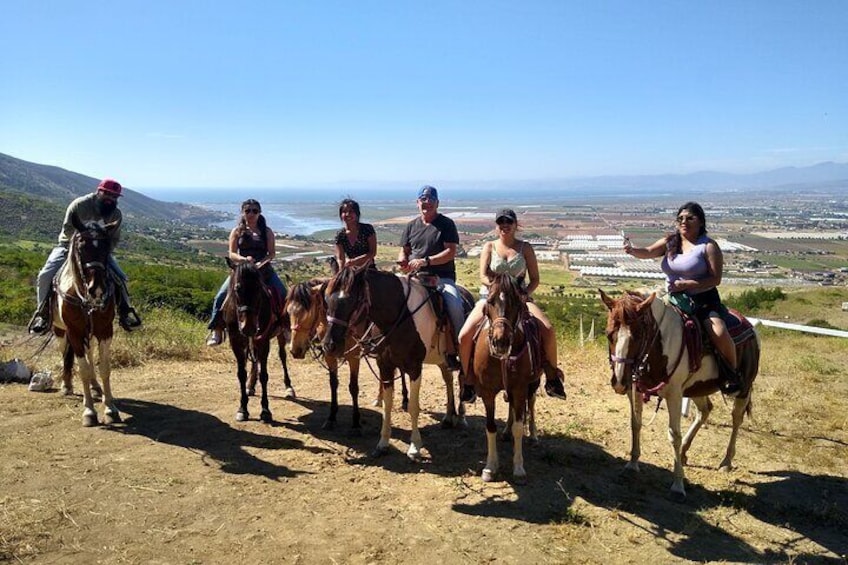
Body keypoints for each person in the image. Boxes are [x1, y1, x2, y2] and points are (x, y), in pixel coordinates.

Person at [623, 201, 745, 396]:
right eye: (680, 218)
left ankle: (732, 374)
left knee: (719, 331)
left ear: (701, 221)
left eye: (690, 218)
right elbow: (648, 252)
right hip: (672, 299)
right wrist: (632, 250)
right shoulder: (671, 242)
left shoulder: (708, 246)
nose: (684, 222)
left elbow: (716, 279)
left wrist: (687, 284)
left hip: (702, 301)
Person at [457, 209, 567, 402]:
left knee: (548, 329)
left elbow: (535, 279)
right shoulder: (489, 246)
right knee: (464, 335)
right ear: (496, 225)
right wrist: (495, 290)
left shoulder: (525, 248)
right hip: (491, 299)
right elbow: (482, 275)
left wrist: (524, 295)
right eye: (501, 222)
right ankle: (468, 380)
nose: (504, 225)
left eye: (509, 222)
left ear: (516, 225)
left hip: (519, 300)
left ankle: (552, 377)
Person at [28, 178, 142, 334]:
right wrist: (84, 240)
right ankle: (42, 314)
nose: (110, 198)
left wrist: (101, 250)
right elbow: (68, 230)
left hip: (98, 252)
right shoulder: (79, 205)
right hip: (69, 247)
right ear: (99, 191)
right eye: (107, 194)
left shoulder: (115, 214)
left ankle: (125, 312)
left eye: (114, 196)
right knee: (44, 275)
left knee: (121, 278)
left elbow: (114, 239)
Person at [397, 185, 464, 370]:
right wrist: (402, 259)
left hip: (441, 278)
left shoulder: (447, 224)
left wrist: (426, 261)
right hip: (415, 277)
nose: (427, 203)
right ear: (417, 202)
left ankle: (458, 349)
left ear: (437, 203)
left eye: (430, 200)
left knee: (455, 305)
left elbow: (450, 252)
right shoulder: (411, 225)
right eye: (423, 200)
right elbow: (404, 249)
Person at [206, 199, 287, 346]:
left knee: (283, 293)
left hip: (263, 270)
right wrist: (244, 259)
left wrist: (259, 263)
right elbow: (231, 253)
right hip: (241, 271)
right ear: (243, 213)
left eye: (254, 211)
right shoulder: (237, 231)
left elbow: (271, 254)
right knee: (221, 296)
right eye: (247, 211)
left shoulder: (266, 232)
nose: (251, 214)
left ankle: (285, 326)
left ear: (259, 213)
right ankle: (216, 329)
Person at [334, 198, 377, 269]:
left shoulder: (367, 229)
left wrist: (354, 261)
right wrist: (341, 272)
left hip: (368, 269)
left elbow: (372, 253)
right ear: (341, 215)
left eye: (351, 211)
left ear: (357, 214)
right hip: (351, 270)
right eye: (344, 212)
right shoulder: (340, 235)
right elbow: (340, 258)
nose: (347, 214)